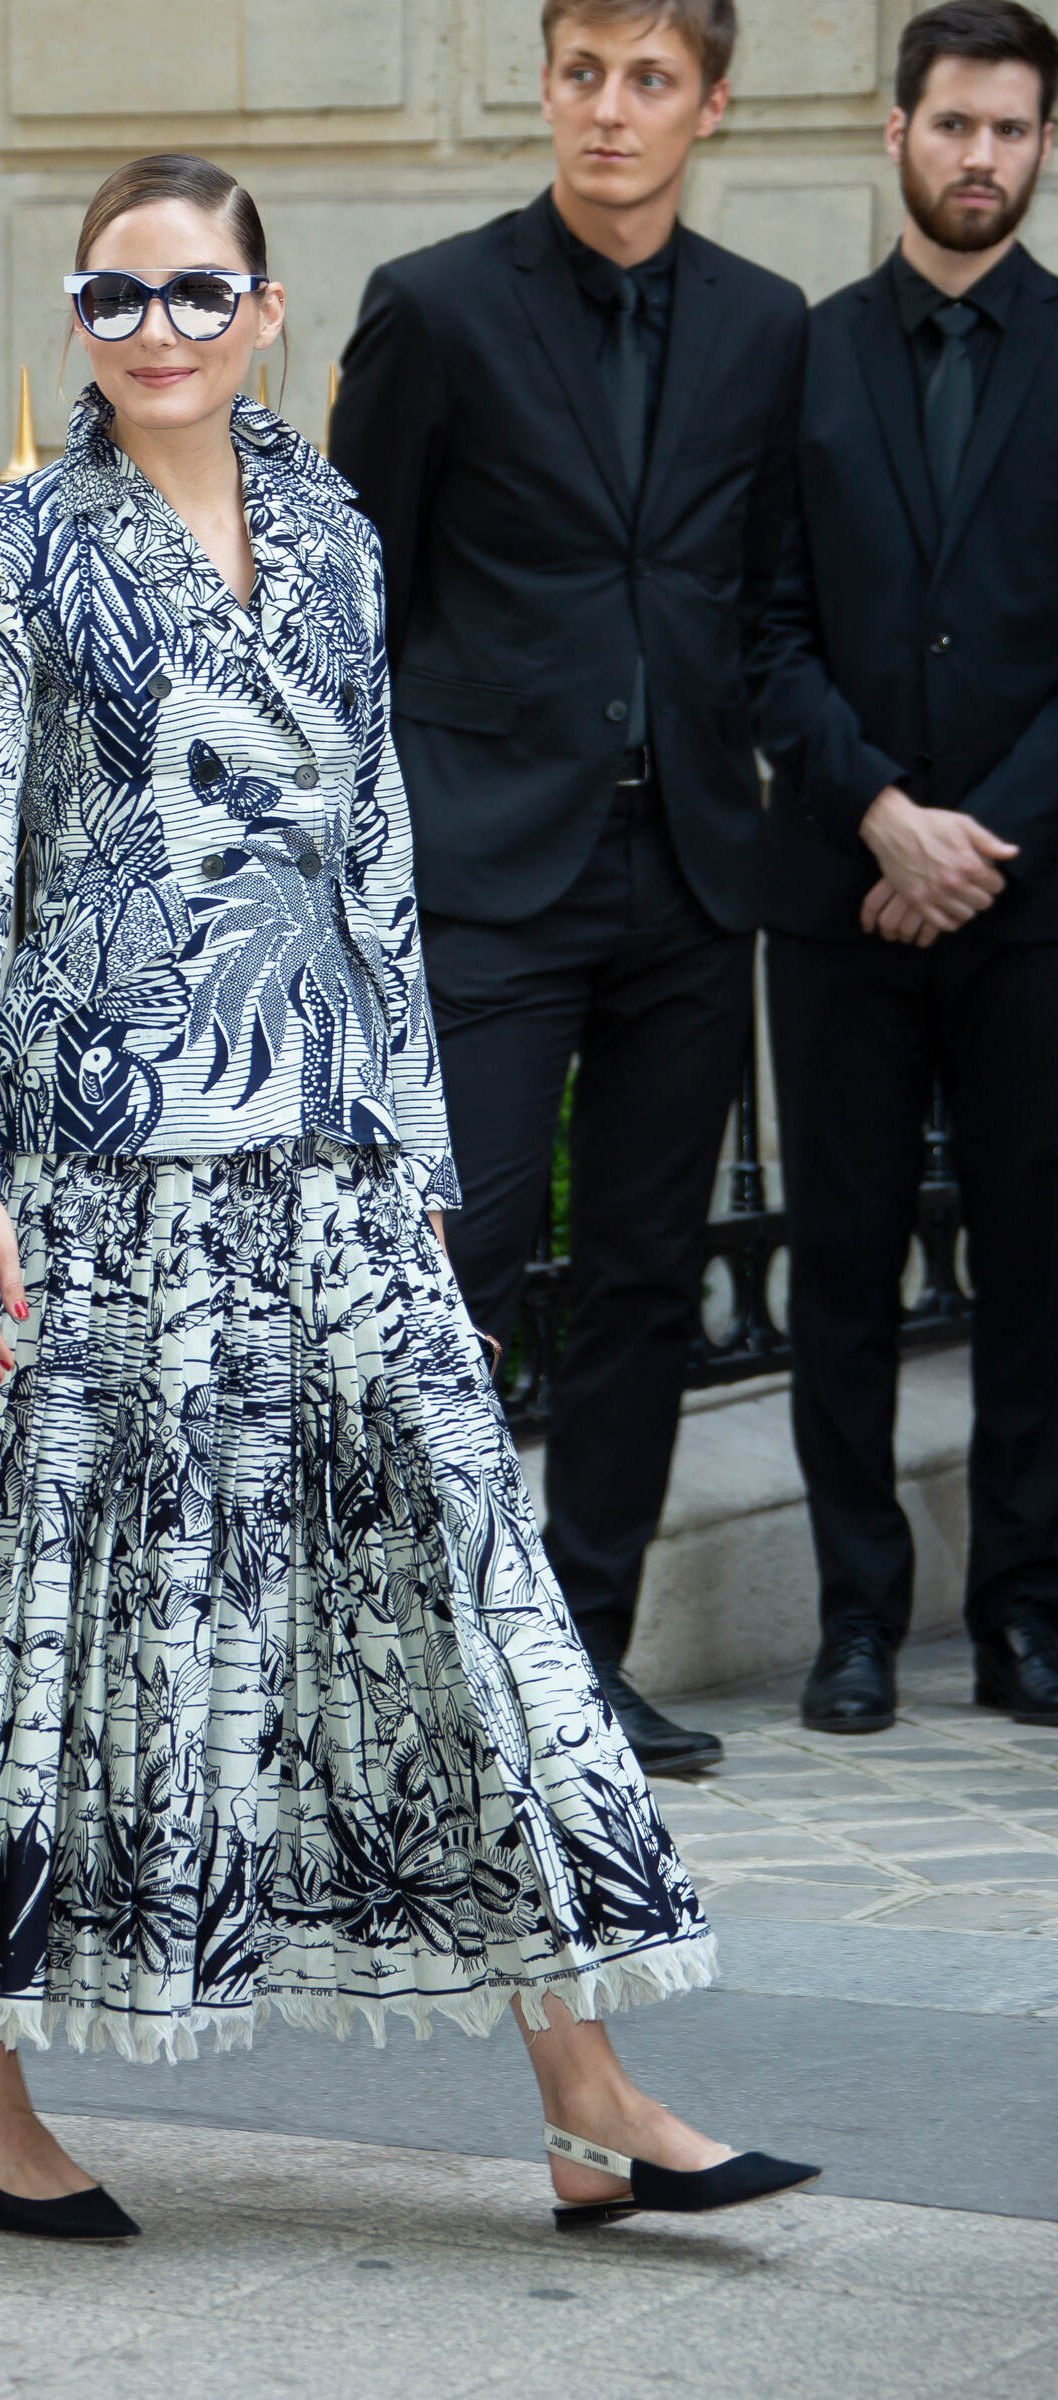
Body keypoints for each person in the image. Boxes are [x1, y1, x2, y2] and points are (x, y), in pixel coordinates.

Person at [0, 150, 816, 2240]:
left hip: (327, 1158)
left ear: (263, 315)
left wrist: (417, 1153)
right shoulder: (0, 551)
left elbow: (374, 852)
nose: (153, 330)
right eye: (112, 295)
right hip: (95, 1168)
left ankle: (591, 2095)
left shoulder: (331, 531)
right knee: (49, 1629)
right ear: (76, 320)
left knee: (468, 1599)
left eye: (194, 293)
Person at [327, 0, 806, 1779]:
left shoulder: (765, 324)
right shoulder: (437, 304)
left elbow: (762, 585)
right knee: (457, 1259)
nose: (613, 110)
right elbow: (352, 595)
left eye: (651, 81)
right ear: (546, 86)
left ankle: (582, 1662)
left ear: (709, 107)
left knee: (645, 1274)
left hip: (688, 867)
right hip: (488, 867)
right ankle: (426, 1659)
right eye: (585, 74)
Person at [757, 0, 1058, 1736]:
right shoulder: (806, 355)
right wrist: (882, 814)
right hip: (841, 897)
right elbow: (765, 628)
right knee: (844, 1270)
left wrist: (977, 845)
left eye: (1011, 128)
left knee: (1036, 1271)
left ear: (1043, 148)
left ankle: (1025, 1612)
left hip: (1037, 903)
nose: (980, 155)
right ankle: (857, 1620)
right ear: (898, 134)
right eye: (954, 123)